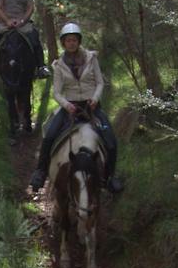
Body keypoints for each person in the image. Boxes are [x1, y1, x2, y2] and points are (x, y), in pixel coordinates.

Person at [30, 21, 122, 194]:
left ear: (79, 41)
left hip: (91, 107)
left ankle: (110, 177)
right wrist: (67, 105)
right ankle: (40, 172)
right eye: (68, 40)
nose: (71, 43)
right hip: (70, 108)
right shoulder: (58, 66)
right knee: (49, 136)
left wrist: (95, 99)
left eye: (74, 40)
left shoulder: (91, 58)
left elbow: (100, 82)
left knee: (110, 141)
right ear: (63, 43)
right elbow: (56, 93)